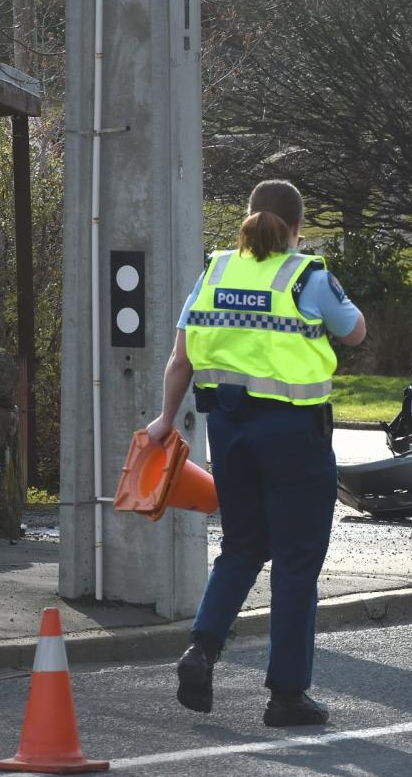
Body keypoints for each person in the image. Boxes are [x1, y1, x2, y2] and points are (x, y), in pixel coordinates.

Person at [146, 179, 365, 726]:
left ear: (247, 218)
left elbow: (181, 360)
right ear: (296, 227)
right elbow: (356, 332)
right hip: (294, 437)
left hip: (231, 430)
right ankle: (286, 697)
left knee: (242, 547)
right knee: (295, 561)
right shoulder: (307, 275)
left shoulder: (214, 273)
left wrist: (164, 421)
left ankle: (201, 648)